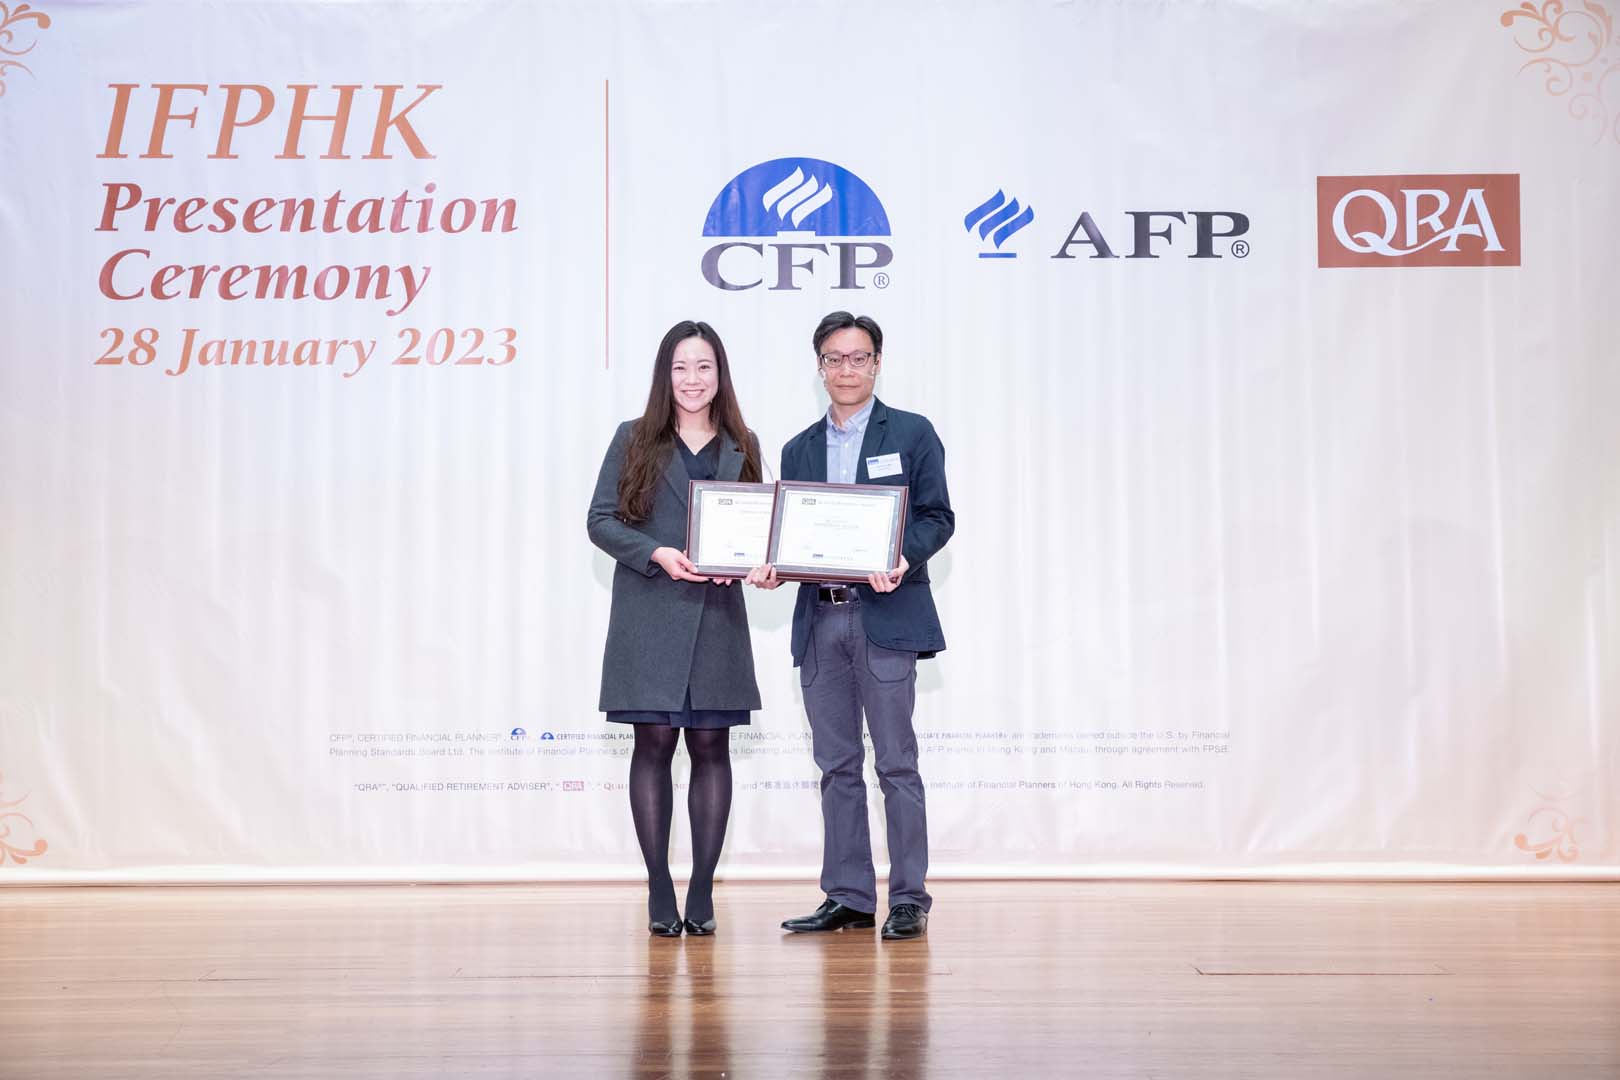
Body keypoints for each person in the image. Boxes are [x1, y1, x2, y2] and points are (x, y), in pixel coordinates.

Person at [746, 311, 954, 941]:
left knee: (896, 764)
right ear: (819, 366)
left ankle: (909, 898)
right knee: (836, 764)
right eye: (834, 358)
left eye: (858, 357)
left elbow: (937, 517)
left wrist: (903, 557)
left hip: (885, 617)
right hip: (821, 619)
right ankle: (849, 896)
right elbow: (790, 534)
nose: (846, 369)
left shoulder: (912, 433)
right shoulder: (798, 448)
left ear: (877, 363)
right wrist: (775, 568)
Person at [587, 320, 763, 937]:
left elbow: (757, 527)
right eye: (681, 367)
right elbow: (601, 521)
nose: (693, 379)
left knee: (712, 747)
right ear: (666, 374)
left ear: (720, 374)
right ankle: (659, 884)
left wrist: (760, 564)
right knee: (654, 746)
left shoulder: (743, 443)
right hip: (650, 613)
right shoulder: (633, 437)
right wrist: (656, 553)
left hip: (717, 617)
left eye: (704, 367)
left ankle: (702, 886)